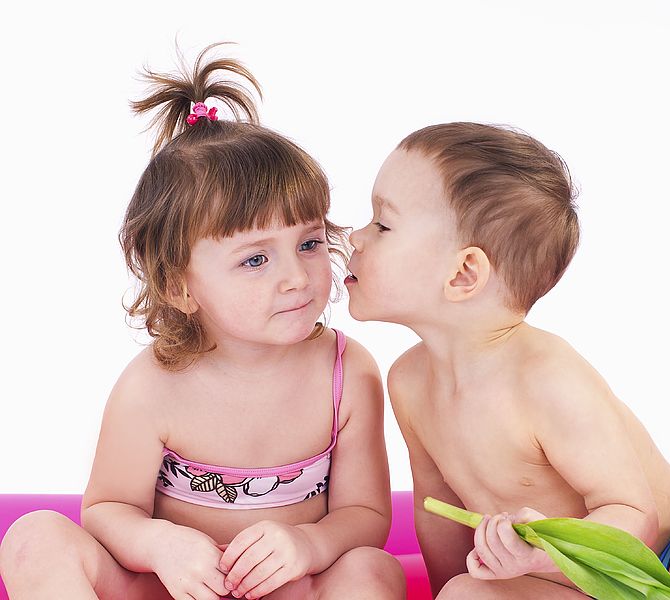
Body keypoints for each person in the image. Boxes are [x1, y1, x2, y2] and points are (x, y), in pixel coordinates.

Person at [0, 44, 404, 600]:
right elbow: (108, 509)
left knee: (371, 571)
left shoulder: (346, 373)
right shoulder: (153, 386)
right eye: (255, 259)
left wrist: (308, 545)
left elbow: (364, 515)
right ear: (179, 286)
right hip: (171, 588)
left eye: (309, 243)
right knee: (32, 536)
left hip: (286, 589)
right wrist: (162, 545)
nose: (297, 277)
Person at [345, 122, 670, 599]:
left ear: (463, 273)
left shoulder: (546, 378)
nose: (355, 236)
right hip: (567, 590)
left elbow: (631, 512)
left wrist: (550, 554)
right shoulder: (408, 382)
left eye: (382, 224)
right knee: (465, 594)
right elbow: (436, 508)